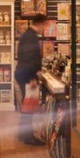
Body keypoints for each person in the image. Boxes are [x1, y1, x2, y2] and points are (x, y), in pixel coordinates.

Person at [14, 13, 47, 145]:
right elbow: (30, 59)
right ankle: (28, 136)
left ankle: (23, 134)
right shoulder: (31, 37)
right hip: (27, 74)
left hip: (23, 73)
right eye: (44, 25)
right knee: (29, 106)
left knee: (26, 104)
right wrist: (33, 77)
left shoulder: (27, 35)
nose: (44, 28)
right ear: (39, 23)